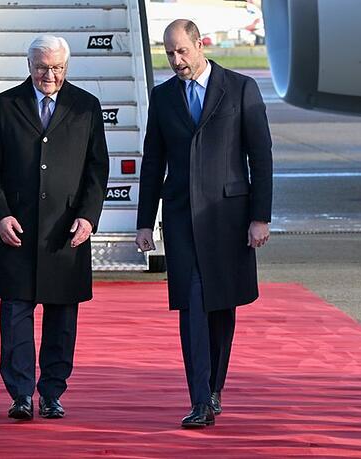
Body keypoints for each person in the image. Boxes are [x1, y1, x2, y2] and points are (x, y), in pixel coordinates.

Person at [135, 19, 273, 428]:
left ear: (199, 45)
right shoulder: (162, 98)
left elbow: (260, 157)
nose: (176, 60)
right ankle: (198, 400)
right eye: (169, 53)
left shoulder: (241, 88)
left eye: (181, 51)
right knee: (192, 306)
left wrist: (259, 217)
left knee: (220, 307)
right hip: (181, 219)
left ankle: (214, 387)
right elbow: (153, 163)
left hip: (229, 219)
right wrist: (146, 222)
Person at [0, 35, 109, 420]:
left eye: (56, 68)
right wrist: (0, 214)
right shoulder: (5, 106)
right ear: (29, 64)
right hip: (17, 231)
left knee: (61, 320)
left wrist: (88, 215)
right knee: (16, 316)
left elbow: (97, 170)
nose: (48, 75)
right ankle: (20, 394)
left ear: (66, 67)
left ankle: (51, 393)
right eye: (41, 67)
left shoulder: (86, 106)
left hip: (65, 233)